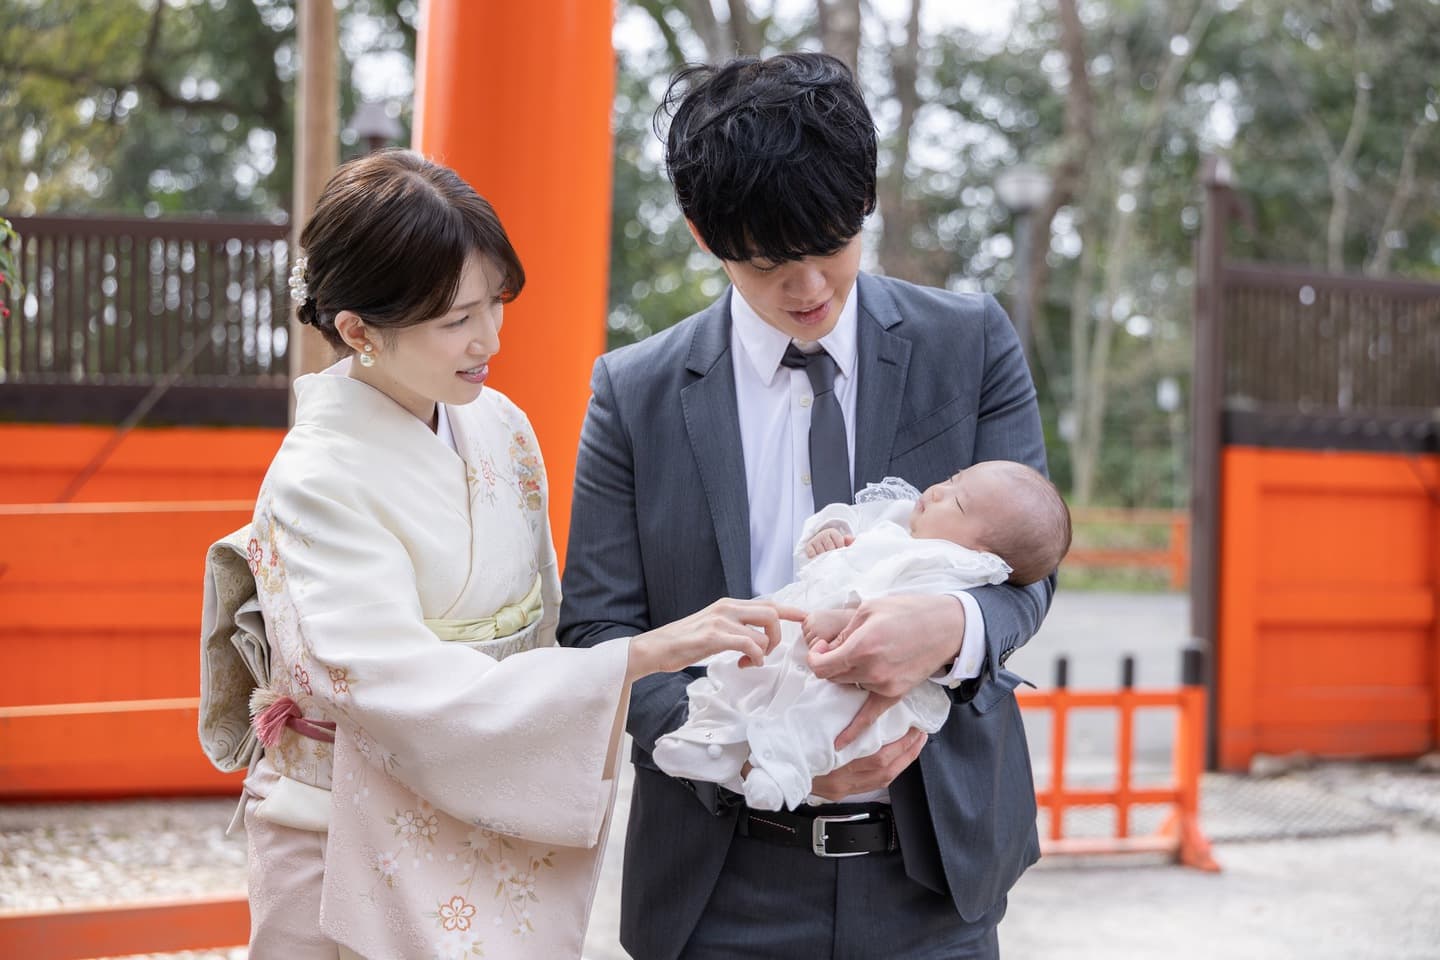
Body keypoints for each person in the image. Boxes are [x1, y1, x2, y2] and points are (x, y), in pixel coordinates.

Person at [196, 150, 795, 960]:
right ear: (358, 331)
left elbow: (540, 626)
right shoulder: (316, 478)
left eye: (495, 304)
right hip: (342, 835)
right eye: (455, 320)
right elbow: (398, 687)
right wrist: (636, 657)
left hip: (479, 823)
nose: (489, 338)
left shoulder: (499, 425)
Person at [559, 53, 1056, 959]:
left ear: (864, 203)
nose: (809, 289)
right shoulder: (634, 393)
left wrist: (949, 626)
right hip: (719, 883)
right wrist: (747, 757)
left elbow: (1029, 571)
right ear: (704, 234)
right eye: (769, 263)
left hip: (934, 879)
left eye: (831, 245)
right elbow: (597, 630)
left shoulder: (969, 342)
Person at [653, 462, 1072, 813]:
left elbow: (903, 615)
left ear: (982, 552)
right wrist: (830, 532)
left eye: (957, 502)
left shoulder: (954, 568)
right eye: (952, 478)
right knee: (748, 672)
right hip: (803, 625)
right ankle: (711, 736)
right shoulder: (899, 516)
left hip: (868, 682)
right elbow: (850, 518)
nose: (938, 491)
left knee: (828, 713)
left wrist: (849, 619)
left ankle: (785, 766)